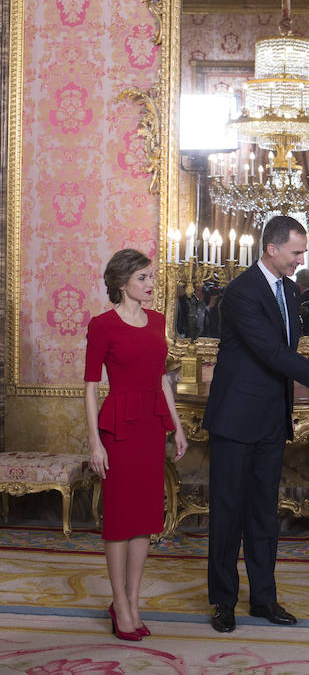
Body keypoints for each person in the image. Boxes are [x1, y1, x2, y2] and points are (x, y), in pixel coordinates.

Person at [203, 216, 309, 633]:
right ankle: (222, 602)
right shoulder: (240, 293)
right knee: (227, 515)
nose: (301, 260)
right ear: (272, 249)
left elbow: (290, 351)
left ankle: (263, 600)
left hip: (272, 420)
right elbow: (273, 353)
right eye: (296, 252)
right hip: (235, 420)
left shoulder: (290, 289)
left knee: (262, 516)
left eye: (302, 252)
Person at [84, 249, 189, 641]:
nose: (151, 284)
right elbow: (91, 387)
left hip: (150, 427)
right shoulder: (102, 326)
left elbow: (161, 378)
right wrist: (95, 442)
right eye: (143, 277)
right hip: (117, 429)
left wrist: (176, 426)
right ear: (122, 282)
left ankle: (132, 600)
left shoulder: (157, 321)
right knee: (118, 520)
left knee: (144, 518)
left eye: (151, 277)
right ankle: (120, 603)